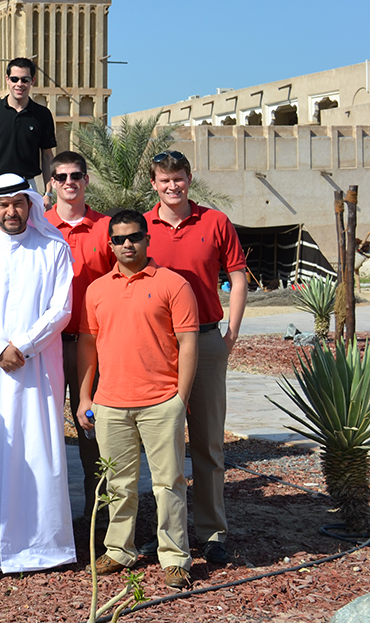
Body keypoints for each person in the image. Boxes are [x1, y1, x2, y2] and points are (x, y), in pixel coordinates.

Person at [0, 173, 75, 575]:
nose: (10, 211)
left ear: (30, 205)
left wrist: (21, 346)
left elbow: (60, 309)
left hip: (36, 368)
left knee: (38, 449)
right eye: (2, 204)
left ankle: (43, 548)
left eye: (18, 203)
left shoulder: (53, 247)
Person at [77, 210, 199, 591]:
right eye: (119, 239)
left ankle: (175, 557)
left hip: (161, 402)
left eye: (134, 237)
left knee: (169, 484)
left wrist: (180, 398)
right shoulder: (96, 290)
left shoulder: (173, 284)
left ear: (147, 240)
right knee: (118, 483)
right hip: (111, 403)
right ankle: (119, 549)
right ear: (110, 244)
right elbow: (88, 345)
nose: (127, 244)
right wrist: (84, 397)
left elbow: (189, 342)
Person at [143, 150, 247, 565]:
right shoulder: (141, 227)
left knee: (207, 443)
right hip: (157, 346)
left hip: (205, 342)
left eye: (179, 178)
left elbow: (237, 279)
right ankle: (168, 534)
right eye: (164, 180)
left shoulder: (215, 222)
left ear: (189, 177)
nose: (172, 186)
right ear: (154, 184)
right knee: (161, 447)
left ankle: (212, 532)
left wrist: (230, 337)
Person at [43, 151, 114, 510]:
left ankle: (99, 518)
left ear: (86, 180)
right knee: (44, 430)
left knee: (93, 430)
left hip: (93, 345)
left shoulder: (106, 228)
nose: (69, 182)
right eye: (61, 177)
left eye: (76, 175)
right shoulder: (38, 227)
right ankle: (47, 517)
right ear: (51, 183)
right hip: (48, 346)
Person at [0, 57, 57, 190]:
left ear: (32, 81)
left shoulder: (42, 114)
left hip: (27, 184)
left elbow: (47, 156)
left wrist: (48, 193)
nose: (19, 84)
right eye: (14, 79)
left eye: (25, 79)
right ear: (7, 79)